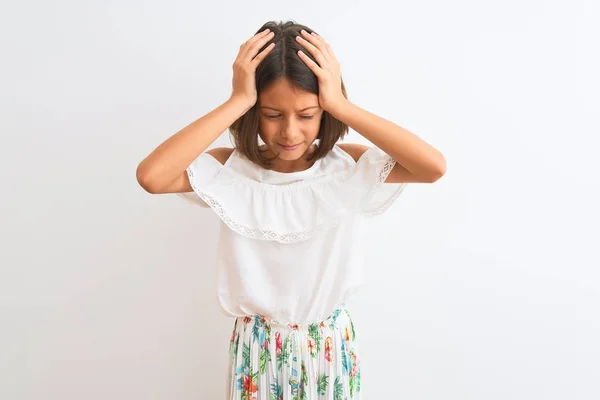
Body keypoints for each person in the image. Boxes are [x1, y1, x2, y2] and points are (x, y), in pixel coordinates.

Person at [136, 20, 445, 400]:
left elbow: (432, 167)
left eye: (307, 114)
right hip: (258, 348)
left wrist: (340, 105)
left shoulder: (344, 167)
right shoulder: (232, 171)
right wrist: (236, 101)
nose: (290, 133)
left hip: (330, 346)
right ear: (253, 111)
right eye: (271, 114)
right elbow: (152, 176)